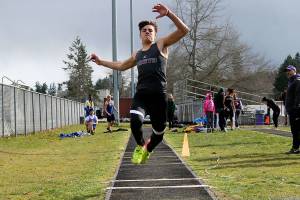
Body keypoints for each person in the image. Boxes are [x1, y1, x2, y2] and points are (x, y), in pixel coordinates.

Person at [91, 3, 189, 164]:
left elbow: (184, 31)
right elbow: (121, 65)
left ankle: (147, 150)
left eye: (151, 30)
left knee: (159, 133)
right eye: (144, 30)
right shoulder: (137, 54)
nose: (147, 32)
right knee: (135, 121)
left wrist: (169, 14)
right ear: (140, 35)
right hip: (142, 95)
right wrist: (101, 62)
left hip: (159, 96)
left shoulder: (161, 45)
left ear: (155, 34)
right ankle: (140, 146)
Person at [284, 65, 300, 154]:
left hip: (296, 110)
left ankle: (295, 148)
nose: (287, 72)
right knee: (295, 130)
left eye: (289, 70)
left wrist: (296, 106)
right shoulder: (291, 81)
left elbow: (298, 95)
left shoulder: (297, 80)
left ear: (294, 71)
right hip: (292, 110)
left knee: (296, 130)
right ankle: (295, 148)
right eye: (287, 71)